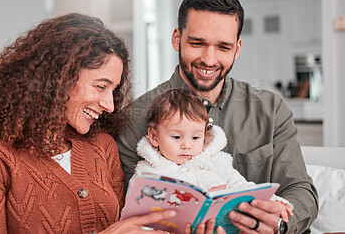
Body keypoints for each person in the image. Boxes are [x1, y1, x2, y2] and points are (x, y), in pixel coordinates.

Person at [0, 13, 182, 234]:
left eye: (113, 90)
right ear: (57, 78)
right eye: (101, 86)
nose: (110, 105)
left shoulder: (103, 147)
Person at [116, 0, 318, 233]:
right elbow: (125, 211)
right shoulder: (133, 117)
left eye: (223, 47)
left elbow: (300, 190)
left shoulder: (270, 110)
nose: (209, 60)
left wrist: (278, 224)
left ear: (237, 48)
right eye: (198, 43)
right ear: (176, 39)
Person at [124, 88, 293, 231]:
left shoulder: (215, 162)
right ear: (154, 137)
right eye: (176, 137)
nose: (187, 145)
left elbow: (243, 188)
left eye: (196, 138)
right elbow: (132, 224)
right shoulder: (146, 175)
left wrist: (274, 202)